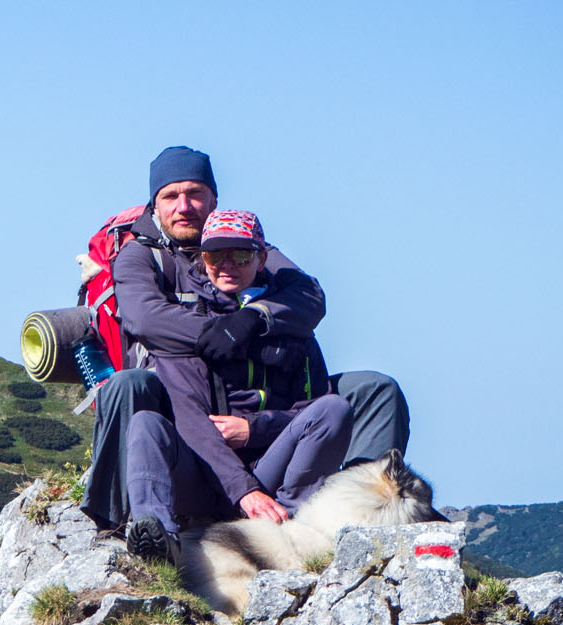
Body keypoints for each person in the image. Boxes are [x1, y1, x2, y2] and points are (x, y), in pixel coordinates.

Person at [76, 146, 408, 532]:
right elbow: (145, 318)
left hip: (262, 399)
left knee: (374, 390)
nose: (184, 205)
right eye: (170, 196)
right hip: (176, 394)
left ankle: (364, 507)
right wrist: (217, 331)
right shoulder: (141, 256)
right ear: (154, 204)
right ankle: (119, 514)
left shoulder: (249, 242)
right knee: (130, 386)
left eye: (195, 193)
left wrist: (254, 319)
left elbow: (309, 297)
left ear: (214, 199)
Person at [121, 209, 353, 562]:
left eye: (241, 254)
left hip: (268, 464)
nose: (227, 264)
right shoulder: (186, 330)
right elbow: (189, 419)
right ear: (202, 259)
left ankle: (286, 524)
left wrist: (254, 429)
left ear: (261, 259)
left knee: (334, 409)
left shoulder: (294, 329)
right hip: (203, 470)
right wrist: (243, 491)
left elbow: (314, 406)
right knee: (145, 424)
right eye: (215, 255)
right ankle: (159, 539)